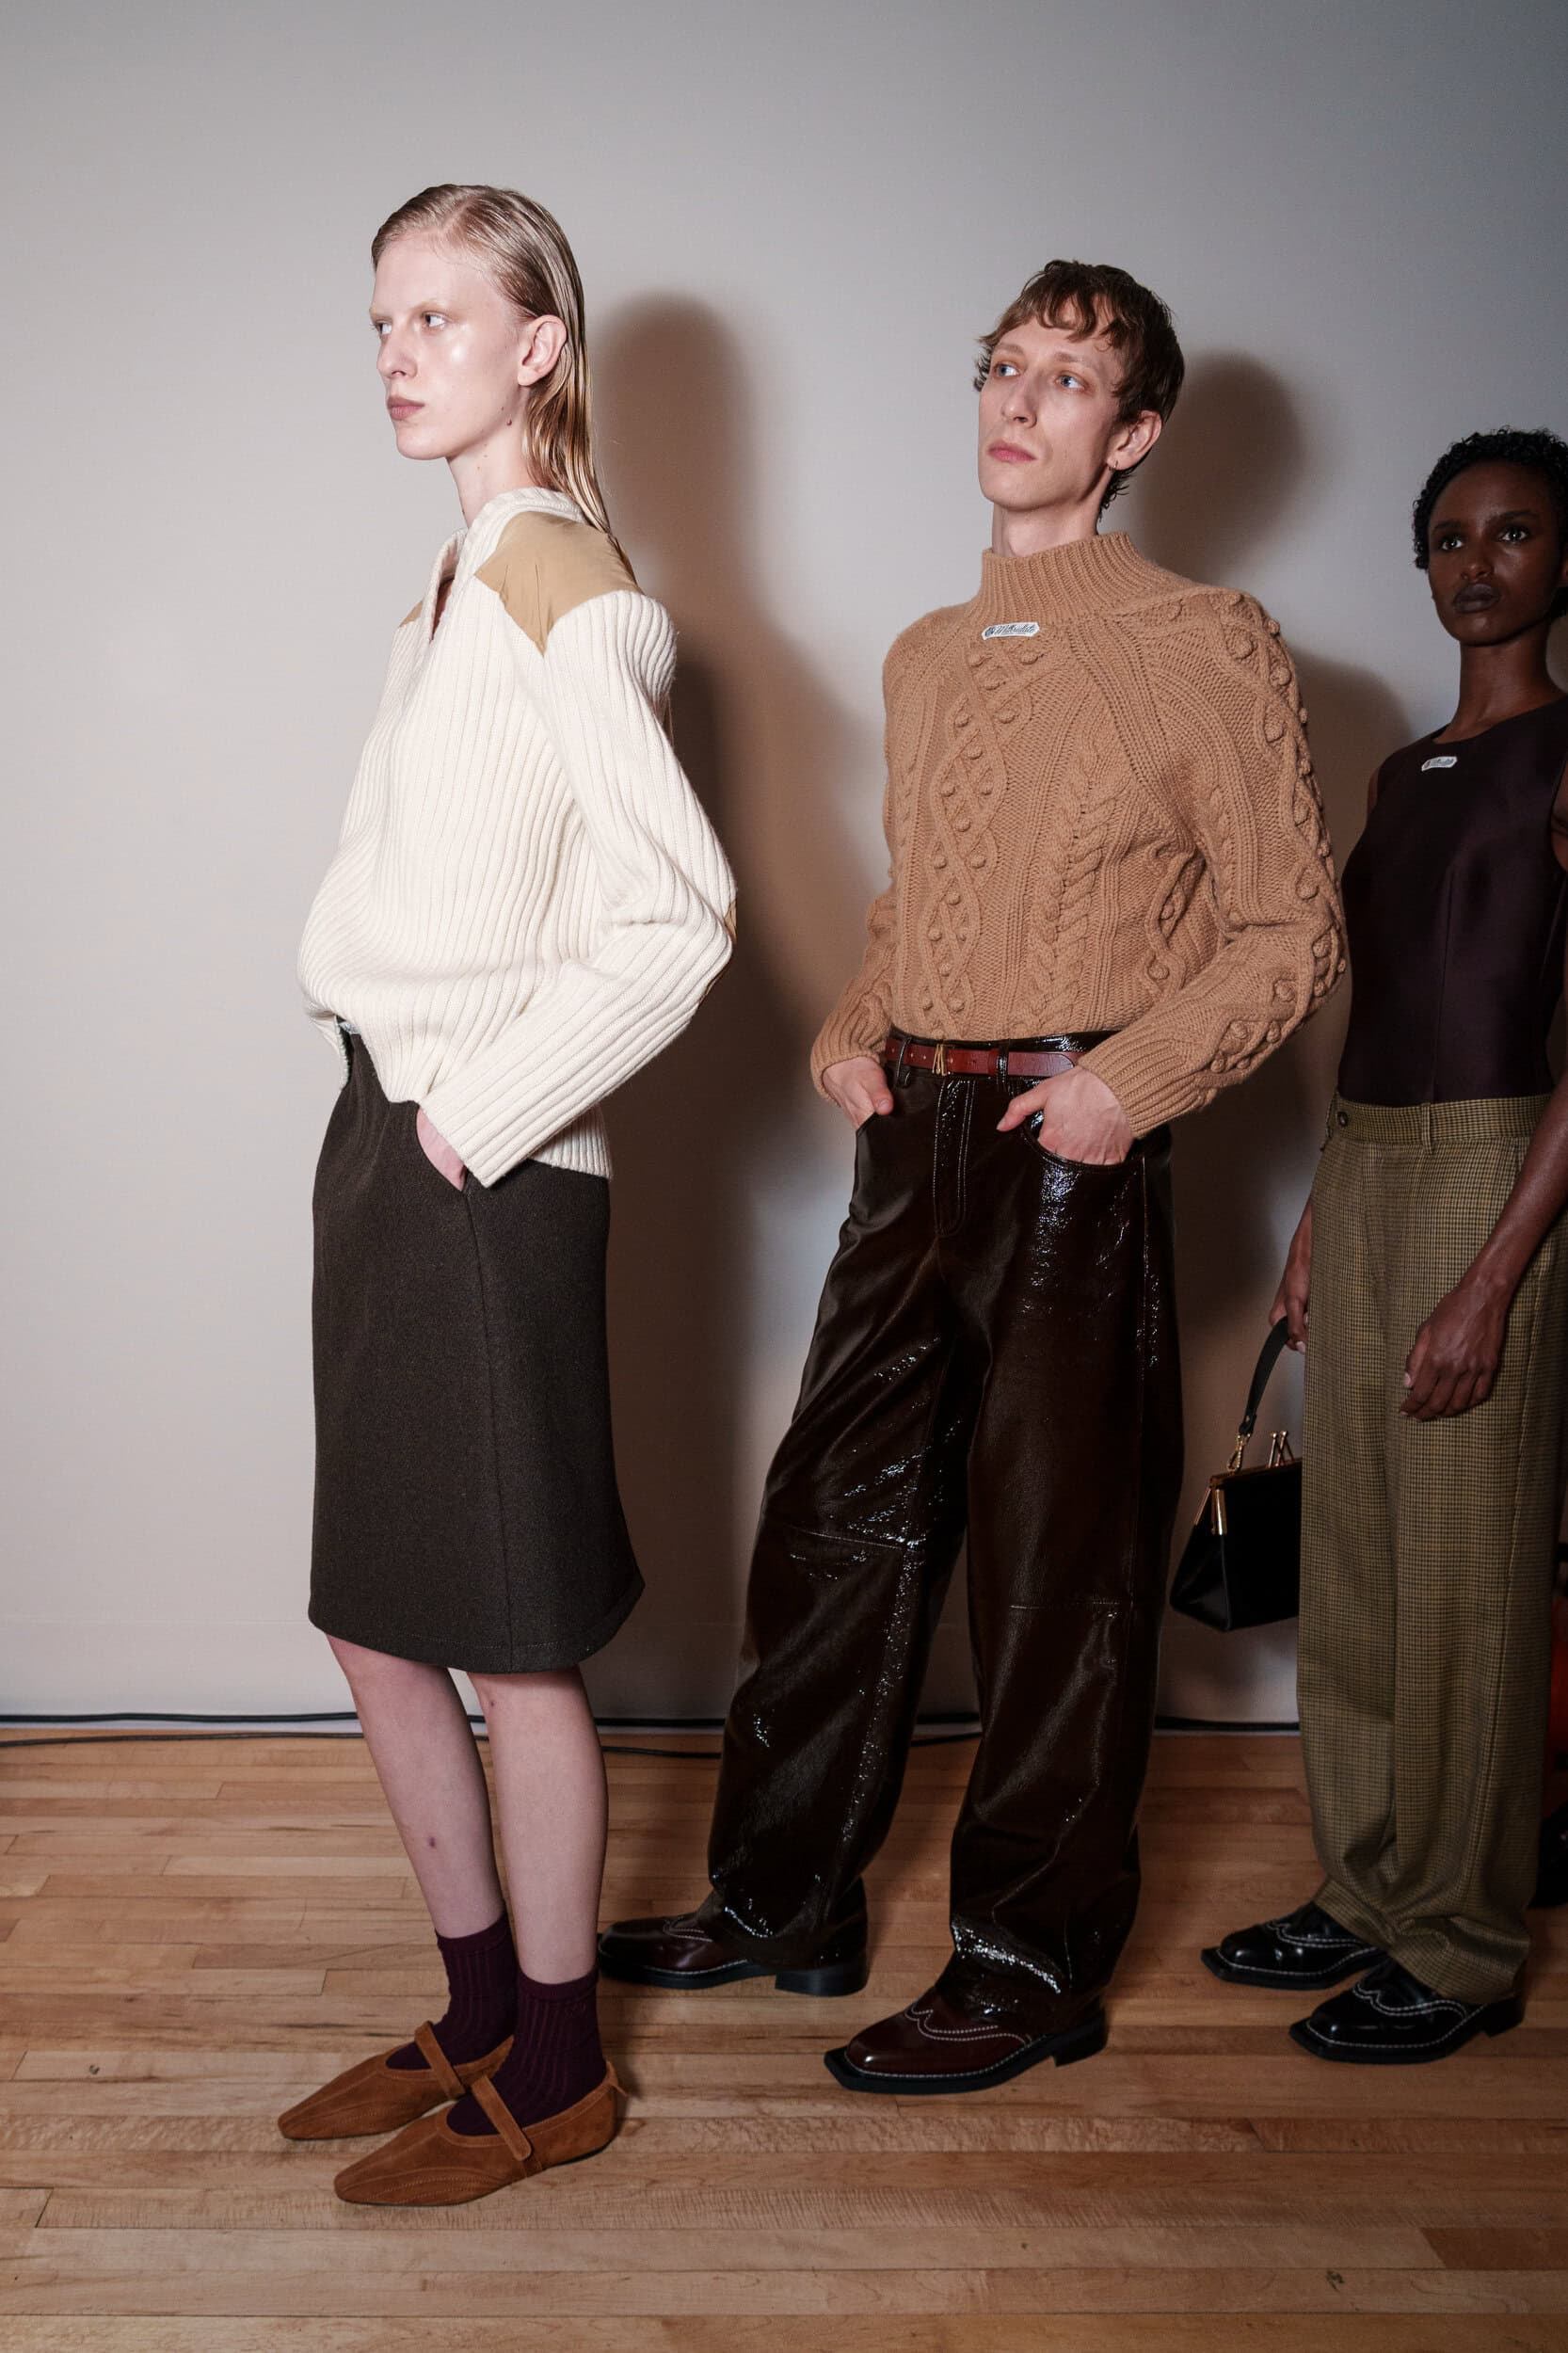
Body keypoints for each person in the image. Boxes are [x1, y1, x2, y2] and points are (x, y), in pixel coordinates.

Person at [600, 260, 1343, 2093]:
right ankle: (784, 1897)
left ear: (1133, 432)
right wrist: (850, 1027)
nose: (1019, 401)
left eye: (1067, 378)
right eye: (1002, 366)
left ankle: (1025, 1965)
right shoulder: (927, 653)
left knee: (1052, 1566)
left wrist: (1124, 1090)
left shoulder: (1204, 638)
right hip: (910, 1138)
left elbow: (1286, 930)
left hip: (1067, 1146)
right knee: (830, 1530)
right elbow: (916, 901)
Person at [279, 184, 735, 2201]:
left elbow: (680, 916)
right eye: (381, 320)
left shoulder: (564, 580)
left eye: (439, 317)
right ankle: (478, 2009)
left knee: (510, 1636)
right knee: (381, 1622)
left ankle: (558, 2064)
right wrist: (396, 1112)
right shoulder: (451, 585)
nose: (397, 354)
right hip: (386, 1136)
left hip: (484, 1158)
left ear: (536, 344)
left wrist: (484, 1112)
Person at [1206, 428, 1568, 2063]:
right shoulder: (1399, 775)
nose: (1474, 564)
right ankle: (1361, 1892)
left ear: (1561, 560)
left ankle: (1463, 1943)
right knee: (1350, 1563)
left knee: (1465, 1584)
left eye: (1512, 533)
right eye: (1448, 538)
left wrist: (1491, 1277)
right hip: (1362, 1168)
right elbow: (1378, 1017)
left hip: (1501, 1165)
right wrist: (1313, 1219)